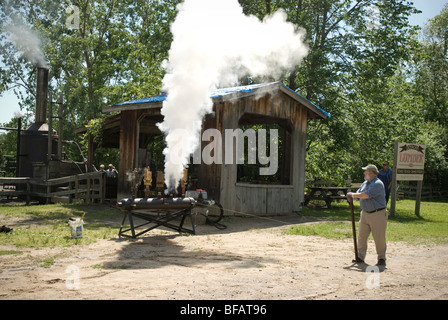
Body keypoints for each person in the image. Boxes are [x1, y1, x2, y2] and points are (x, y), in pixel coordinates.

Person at [347, 164, 387, 266]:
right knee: (361, 236)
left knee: (379, 237)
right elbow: (358, 194)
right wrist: (353, 196)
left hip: (377, 214)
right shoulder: (365, 183)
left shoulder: (377, 184)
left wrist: (353, 195)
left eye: (366, 171)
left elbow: (365, 195)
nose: (364, 173)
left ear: (372, 173)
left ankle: (381, 258)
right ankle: (360, 257)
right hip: (365, 213)